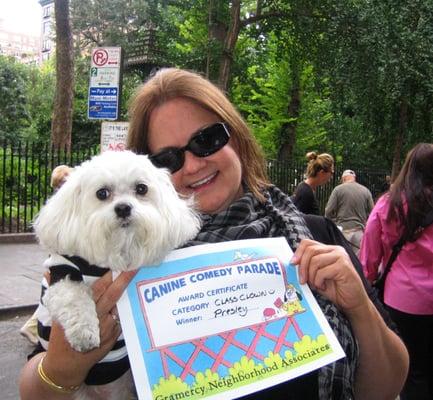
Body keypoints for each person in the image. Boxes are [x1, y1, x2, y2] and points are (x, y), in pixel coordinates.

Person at [19, 68, 408, 400]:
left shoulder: (316, 238)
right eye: (168, 157)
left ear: (235, 138)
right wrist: (62, 368)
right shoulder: (122, 257)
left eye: (207, 140)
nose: (191, 165)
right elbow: (33, 387)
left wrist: (359, 308)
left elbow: (386, 387)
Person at [359, 143, 433, 400]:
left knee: (408, 369)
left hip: (401, 301)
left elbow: (369, 248)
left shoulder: (389, 204)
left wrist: (367, 281)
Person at [19, 164, 75, 345]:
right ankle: (35, 327)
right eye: (62, 182)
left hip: (61, 255)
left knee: (53, 293)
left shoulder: (59, 201)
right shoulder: (64, 203)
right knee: (56, 293)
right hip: (66, 256)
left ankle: (33, 326)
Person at [325, 169, 374, 255]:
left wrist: (332, 225)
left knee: (343, 260)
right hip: (359, 233)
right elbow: (373, 214)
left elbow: (328, 211)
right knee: (357, 264)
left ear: (343, 179)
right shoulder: (366, 191)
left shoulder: (338, 190)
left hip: (343, 232)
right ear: (354, 178)